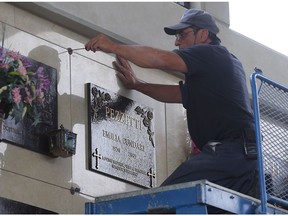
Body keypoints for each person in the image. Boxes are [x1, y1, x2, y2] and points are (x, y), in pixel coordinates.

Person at [85, 8, 257, 197]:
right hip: (243, 161)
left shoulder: (210, 53)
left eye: (183, 34)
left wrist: (113, 46)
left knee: (166, 199)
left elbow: (162, 60)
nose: (177, 41)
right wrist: (137, 85)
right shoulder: (218, 66)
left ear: (203, 34)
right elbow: (178, 94)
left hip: (230, 153)